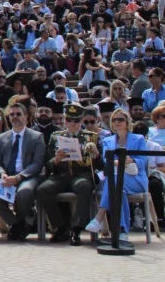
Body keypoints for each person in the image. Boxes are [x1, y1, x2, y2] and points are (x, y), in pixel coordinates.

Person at [35, 103, 102, 245]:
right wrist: (56, 160)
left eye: (76, 120)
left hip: (82, 174)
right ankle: (60, 227)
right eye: (70, 120)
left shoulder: (91, 137)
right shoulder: (55, 137)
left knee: (84, 187)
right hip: (61, 175)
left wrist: (96, 155)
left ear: (81, 121)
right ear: (65, 120)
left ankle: (76, 229)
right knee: (43, 190)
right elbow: (47, 163)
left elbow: (99, 166)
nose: (73, 123)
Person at [0, 102, 46, 241]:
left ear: (26, 117)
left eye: (18, 114)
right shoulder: (1, 138)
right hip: (7, 177)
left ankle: (21, 222)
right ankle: (17, 224)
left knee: (24, 192)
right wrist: (2, 174)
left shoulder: (36, 136)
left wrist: (18, 178)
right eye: (12, 114)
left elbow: (37, 164)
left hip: (28, 177)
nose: (15, 117)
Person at [85, 109, 150, 240]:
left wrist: (131, 160)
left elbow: (143, 162)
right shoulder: (107, 141)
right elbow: (105, 162)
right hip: (116, 178)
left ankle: (99, 217)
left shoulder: (138, 139)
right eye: (114, 120)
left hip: (136, 178)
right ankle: (122, 231)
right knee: (118, 188)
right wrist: (115, 161)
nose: (117, 122)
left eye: (120, 119)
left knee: (114, 181)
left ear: (127, 122)